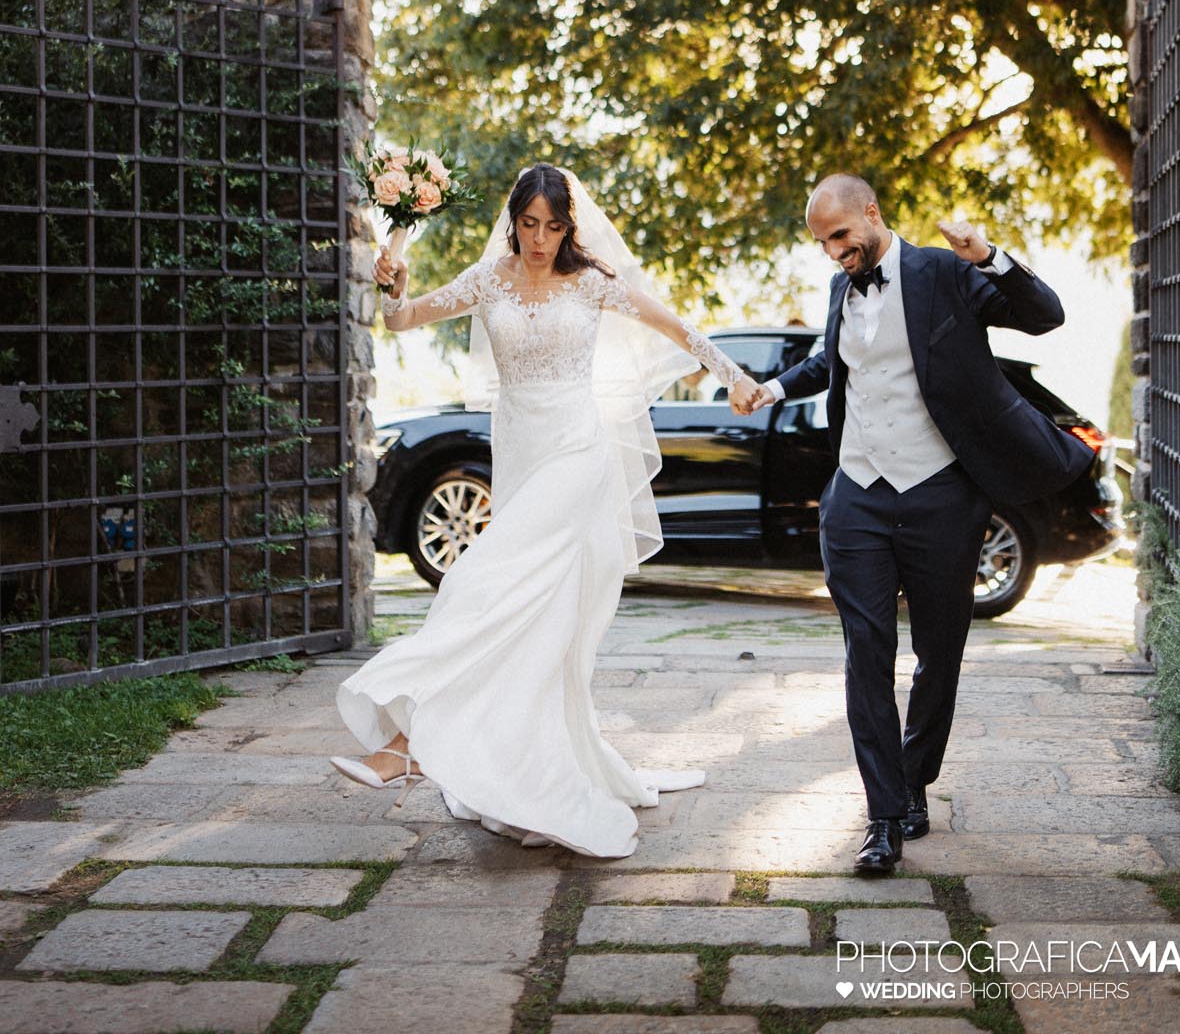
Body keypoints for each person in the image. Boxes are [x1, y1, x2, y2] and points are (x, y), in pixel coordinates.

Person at [329, 162, 765, 858]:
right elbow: (402, 320)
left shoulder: (590, 283)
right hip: (521, 456)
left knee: (477, 584)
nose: (538, 239)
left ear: (568, 227)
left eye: (552, 226)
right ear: (513, 221)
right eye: (528, 224)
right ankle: (530, 771)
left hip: (577, 453)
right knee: (536, 620)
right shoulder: (487, 279)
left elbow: (672, 325)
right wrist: (395, 283)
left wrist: (734, 376)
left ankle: (407, 742)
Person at [734, 174, 1096, 876]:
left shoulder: (943, 271)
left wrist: (986, 255)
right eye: (821, 243)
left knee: (939, 652)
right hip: (857, 497)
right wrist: (771, 388)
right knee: (865, 653)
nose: (832, 252)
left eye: (840, 236)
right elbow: (829, 360)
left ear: (871, 214)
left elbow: (1043, 315)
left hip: (941, 494)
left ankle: (913, 780)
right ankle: (882, 817)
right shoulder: (840, 287)